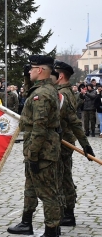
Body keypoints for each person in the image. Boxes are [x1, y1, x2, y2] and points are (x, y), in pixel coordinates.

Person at [7, 55, 61, 237]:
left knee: (48, 192)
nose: (29, 71)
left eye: (31, 69)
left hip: (42, 149)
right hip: (37, 147)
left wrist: (33, 153)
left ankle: (51, 235)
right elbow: (27, 91)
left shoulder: (43, 94)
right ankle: (27, 222)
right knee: (31, 187)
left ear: (40, 70)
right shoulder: (41, 90)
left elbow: (40, 126)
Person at [53, 61, 95, 227]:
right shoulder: (65, 91)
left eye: (54, 73)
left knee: (63, 177)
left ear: (60, 75)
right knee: (63, 176)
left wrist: (85, 144)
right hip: (64, 139)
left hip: (63, 142)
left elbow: (73, 120)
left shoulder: (63, 94)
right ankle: (66, 211)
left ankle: (68, 212)